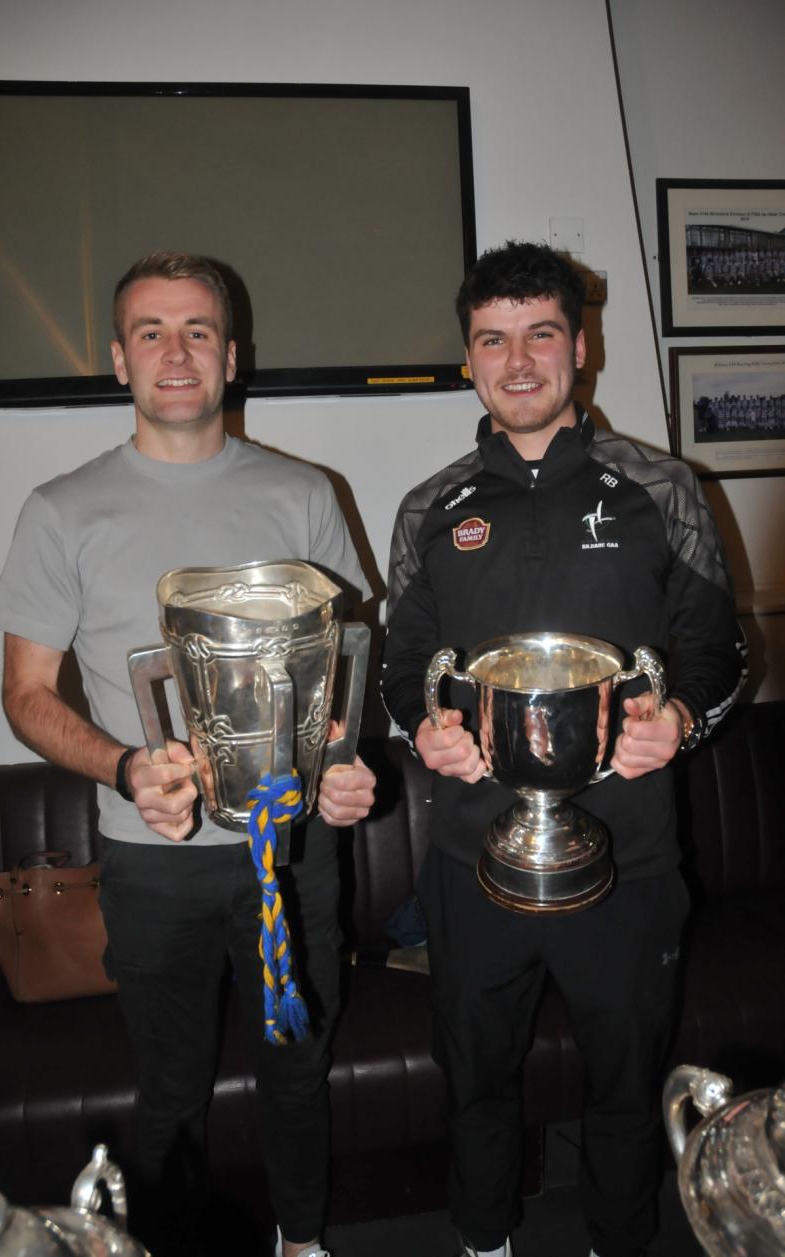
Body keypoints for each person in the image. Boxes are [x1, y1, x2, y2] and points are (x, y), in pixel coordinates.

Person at [0, 251, 376, 1257]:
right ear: (119, 359)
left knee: (299, 1070)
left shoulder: (303, 492)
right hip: (152, 860)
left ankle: (304, 1243)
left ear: (231, 356)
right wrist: (125, 767)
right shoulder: (61, 510)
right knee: (168, 1089)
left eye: (198, 330)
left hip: (291, 852)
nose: (175, 351)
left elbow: (340, 674)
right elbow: (25, 695)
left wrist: (342, 765)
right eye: (150, 332)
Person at [381, 240, 746, 1257]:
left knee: (625, 1085)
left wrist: (680, 720)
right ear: (467, 359)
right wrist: (426, 726)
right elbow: (402, 664)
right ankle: (484, 1241)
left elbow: (720, 651)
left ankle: (616, 1242)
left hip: (629, 856)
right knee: (474, 1077)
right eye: (492, 340)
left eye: (540, 334)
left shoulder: (661, 488)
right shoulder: (430, 507)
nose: (518, 361)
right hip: (471, 856)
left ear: (579, 348)